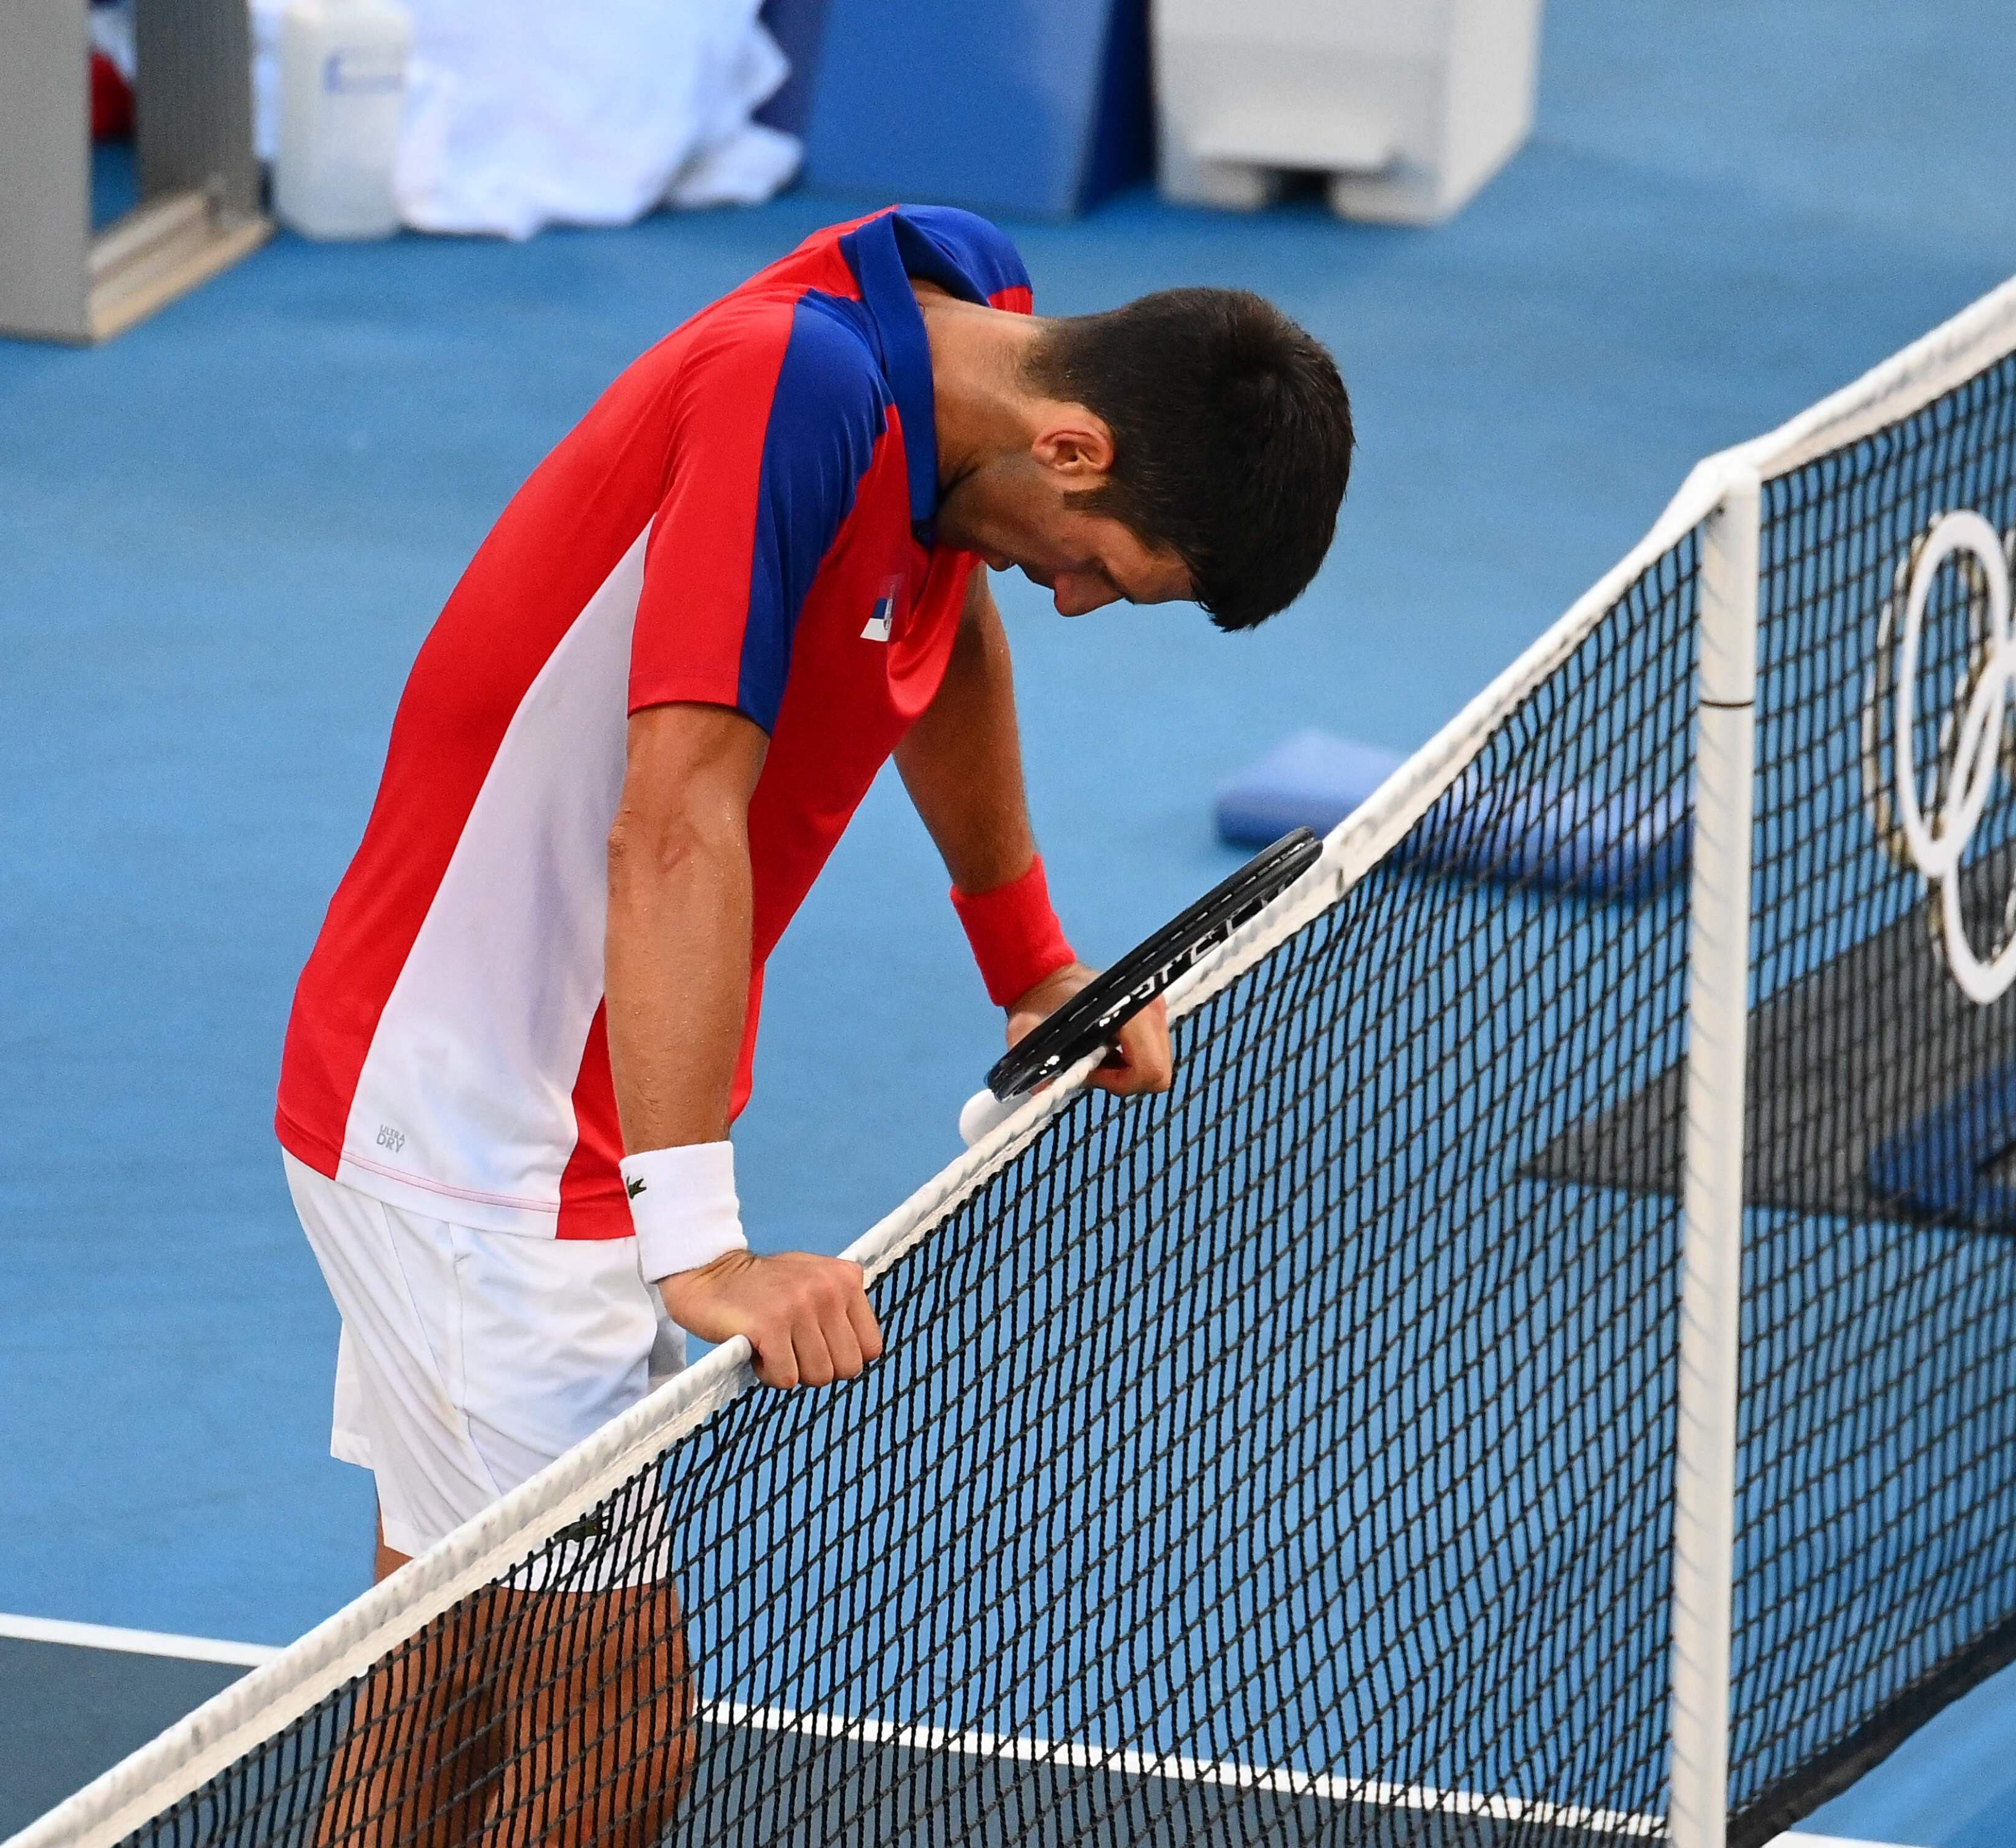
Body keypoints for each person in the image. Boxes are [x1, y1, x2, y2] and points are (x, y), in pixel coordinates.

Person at [272, 203, 1353, 1841]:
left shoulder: (962, 338)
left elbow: (951, 630)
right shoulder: (790, 389)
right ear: (1072, 445)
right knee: (611, 1748)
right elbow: (676, 821)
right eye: (1099, 569)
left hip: (514, 1119)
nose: (1069, 604)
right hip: (477, 1150)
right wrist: (696, 1245)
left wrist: (1032, 963)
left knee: (444, 1678)